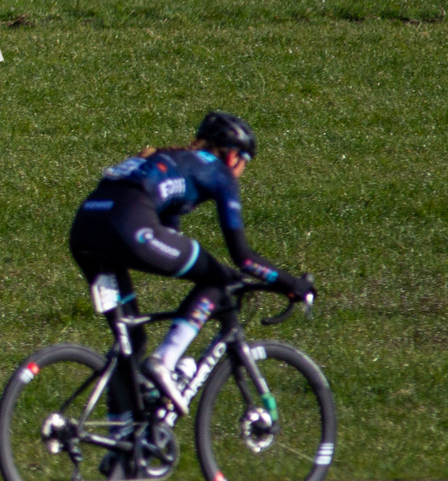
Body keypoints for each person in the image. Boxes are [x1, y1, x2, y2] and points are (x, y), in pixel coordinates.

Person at [69, 111, 310, 412]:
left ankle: (121, 441)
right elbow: (243, 257)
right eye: (245, 162)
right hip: (127, 224)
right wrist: (292, 283)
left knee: (131, 341)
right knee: (222, 279)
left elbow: (170, 235)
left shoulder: (174, 160)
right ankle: (165, 360)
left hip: (85, 228)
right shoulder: (220, 172)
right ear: (234, 156)